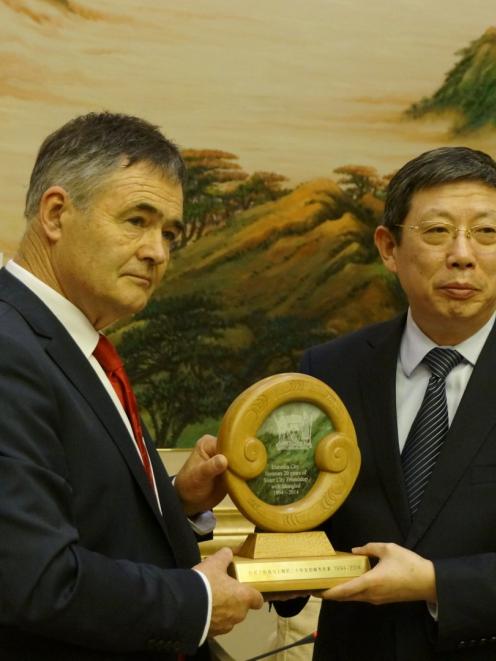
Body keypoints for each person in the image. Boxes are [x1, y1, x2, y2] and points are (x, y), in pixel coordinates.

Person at [0, 112, 263, 660]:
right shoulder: (9, 346)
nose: (158, 251)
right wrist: (197, 601)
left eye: (169, 232)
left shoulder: (72, 341)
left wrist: (178, 504)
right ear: (55, 214)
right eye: (137, 221)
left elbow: (81, 512)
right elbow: (37, 579)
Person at [277, 146, 496, 660]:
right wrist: (281, 570)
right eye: (438, 231)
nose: (462, 254)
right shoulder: (327, 372)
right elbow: (299, 524)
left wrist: (438, 583)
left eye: (487, 233)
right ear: (389, 247)